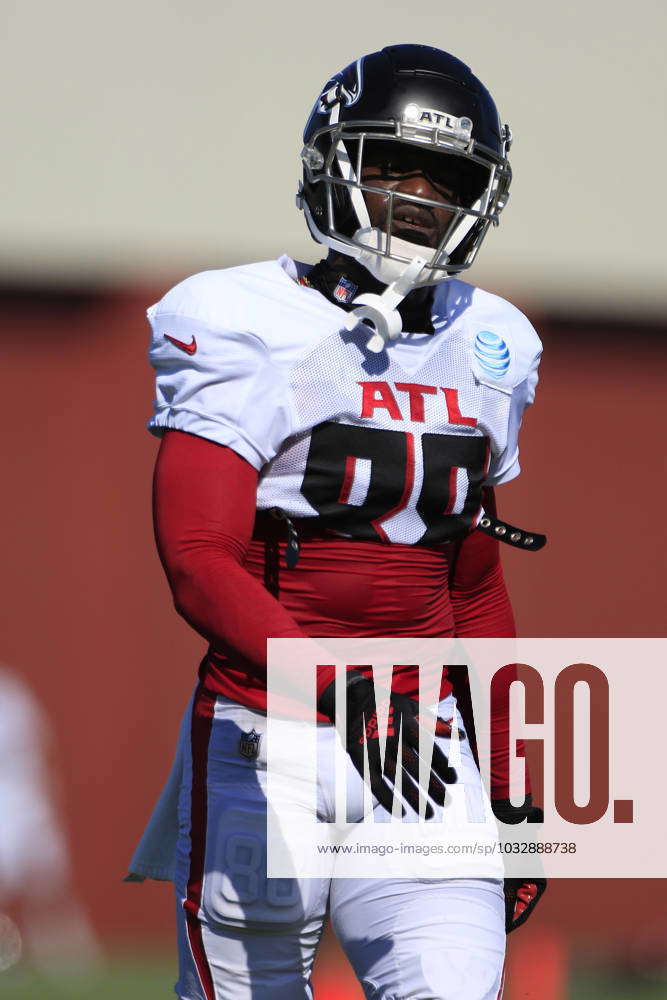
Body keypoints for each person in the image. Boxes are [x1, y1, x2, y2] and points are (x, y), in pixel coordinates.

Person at [129, 43, 547, 1000]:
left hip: (419, 747)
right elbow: (197, 559)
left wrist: (514, 777)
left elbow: (473, 586)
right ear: (333, 166)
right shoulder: (251, 321)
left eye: (445, 179)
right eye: (392, 168)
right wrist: (335, 688)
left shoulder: (489, 343)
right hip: (265, 737)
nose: (418, 198)